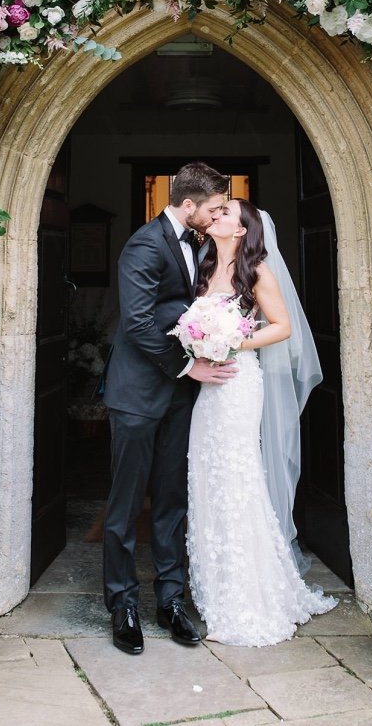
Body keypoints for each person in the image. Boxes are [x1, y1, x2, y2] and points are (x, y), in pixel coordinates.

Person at [187, 199, 338, 646]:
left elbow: (283, 326)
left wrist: (234, 337)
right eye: (215, 213)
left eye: (226, 213)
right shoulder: (204, 267)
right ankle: (217, 588)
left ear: (242, 229)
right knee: (207, 477)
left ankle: (249, 600)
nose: (215, 217)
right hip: (207, 388)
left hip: (238, 383)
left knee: (237, 481)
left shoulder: (257, 272)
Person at [102, 161, 237, 655]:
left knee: (171, 499)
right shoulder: (143, 244)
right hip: (138, 395)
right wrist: (188, 368)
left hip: (180, 399)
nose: (219, 214)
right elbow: (137, 324)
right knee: (125, 505)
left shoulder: (199, 243)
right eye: (214, 208)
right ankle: (122, 604)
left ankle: (171, 600)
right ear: (187, 206)